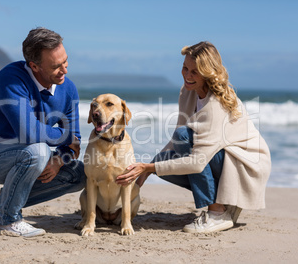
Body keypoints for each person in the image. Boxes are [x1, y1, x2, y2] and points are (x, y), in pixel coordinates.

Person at [116, 41, 271, 233]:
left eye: (194, 72)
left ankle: (217, 213)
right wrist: (148, 168)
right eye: (185, 68)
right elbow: (178, 140)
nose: (187, 76)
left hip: (245, 165)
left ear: (208, 73)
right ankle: (224, 203)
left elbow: (197, 162)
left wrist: (148, 167)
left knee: (179, 146)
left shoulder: (215, 106)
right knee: (164, 160)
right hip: (221, 158)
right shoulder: (188, 92)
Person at [0, 27, 86, 237]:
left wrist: (59, 161)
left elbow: (75, 142)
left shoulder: (68, 88)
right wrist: (66, 139)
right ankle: (7, 220)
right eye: (56, 66)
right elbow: (29, 132)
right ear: (34, 66)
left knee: (79, 174)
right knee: (38, 151)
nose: (65, 70)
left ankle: (5, 200)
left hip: (24, 156)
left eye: (65, 61)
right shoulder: (11, 78)